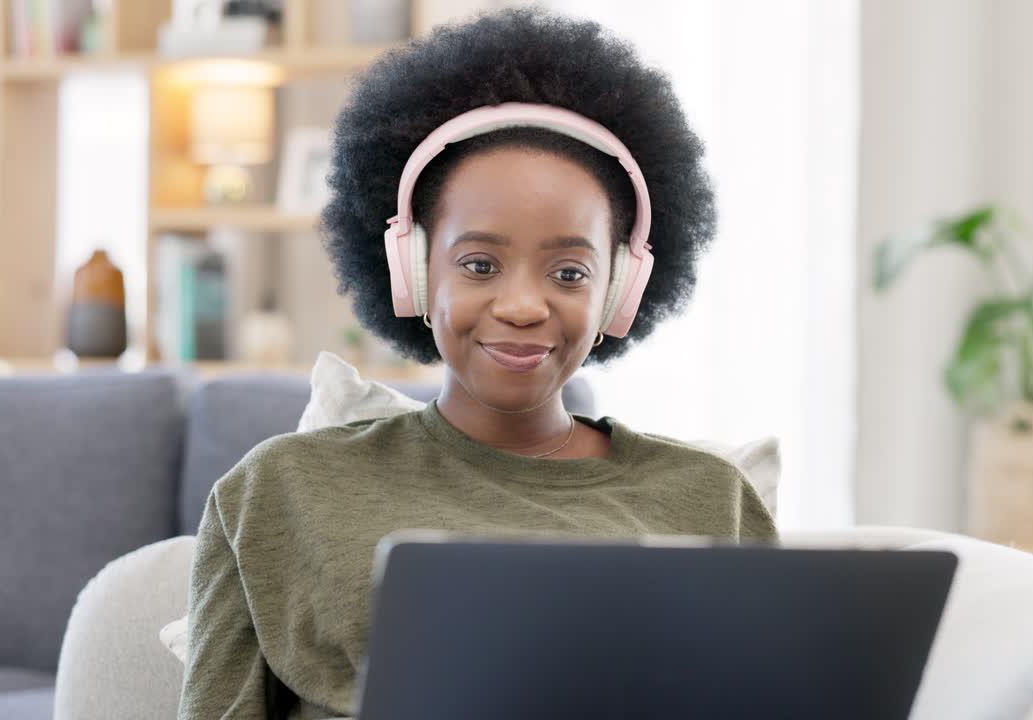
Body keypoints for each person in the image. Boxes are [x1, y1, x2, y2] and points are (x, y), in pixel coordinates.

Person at [177, 6, 777, 719]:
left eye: (569, 274)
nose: (522, 306)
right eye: (480, 264)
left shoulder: (712, 499)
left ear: (619, 293)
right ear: (413, 272)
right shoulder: (278, 490)